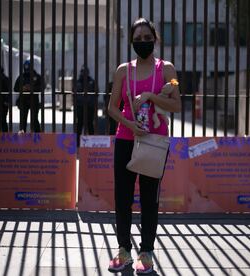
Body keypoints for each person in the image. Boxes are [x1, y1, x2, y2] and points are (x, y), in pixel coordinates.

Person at [107, 18, 181, 274]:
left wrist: (150, 96)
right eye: (137, 39)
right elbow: (111, 108)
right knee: (122, 198)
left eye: (147, 38)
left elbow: (176, 103)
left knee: (150, 199)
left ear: (155, 38)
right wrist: (130, 123)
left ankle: (146, 252)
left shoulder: (168, 71)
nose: (143, 43)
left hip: (155, 141)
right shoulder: (122, 71)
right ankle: (123, 249)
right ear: (131, 41)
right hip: (126, 139)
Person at [14, 60, 43, 132]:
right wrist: (22, 88)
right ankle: (22, 136)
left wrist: (32, 88)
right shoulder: (21, 76)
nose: (26, 68)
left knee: (34, 120)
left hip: (34, 100)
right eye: (25, 67)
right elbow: (15, 88)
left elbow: (42, 87)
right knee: (23, 120)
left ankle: (37, 135)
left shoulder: (37, 76)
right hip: (23, 101)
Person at [74, 65, 96, 146]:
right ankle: (77, 143)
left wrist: (89, 98)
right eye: (82, 72)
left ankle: (91, 142)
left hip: (89, 106)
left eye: (85, 72)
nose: (84, 73)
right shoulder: (77, 82)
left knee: (90, 124)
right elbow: (74, 93)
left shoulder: (92, 81)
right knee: (79, 124)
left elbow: (96, 92)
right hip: (80, 106)